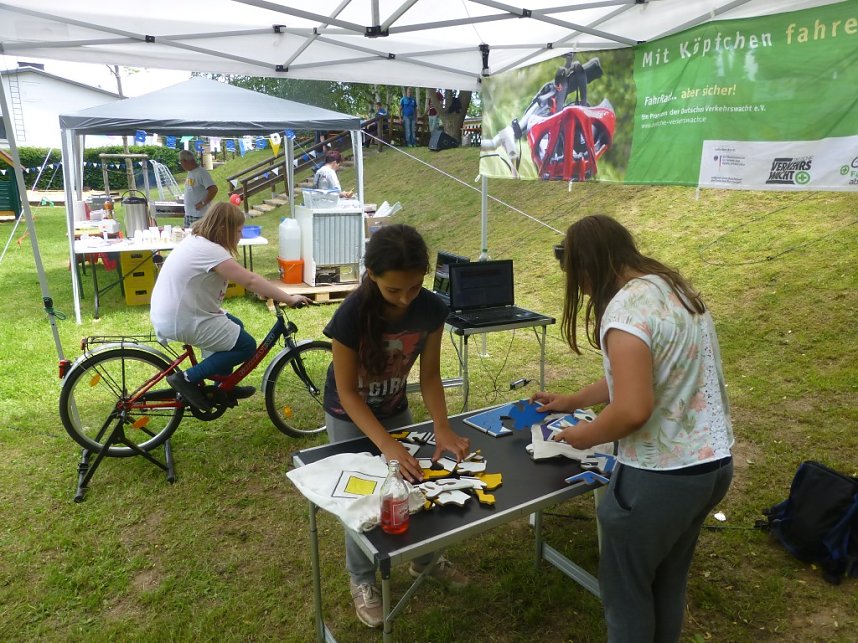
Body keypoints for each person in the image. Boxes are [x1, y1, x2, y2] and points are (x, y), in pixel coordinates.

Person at [532, 215, 734, 643]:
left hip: (660, 477)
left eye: (579, 279)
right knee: (667, 580)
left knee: (626, 595)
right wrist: (573, 401)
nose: (584, 291)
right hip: (712, 465)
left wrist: (583, 435)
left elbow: (631, 408)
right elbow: (640, 376)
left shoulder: (625, 308)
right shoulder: (673, 288)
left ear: (587, 268)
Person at [323, 224, 471, 628]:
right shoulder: (351, 315)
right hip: (349, 416)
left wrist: (442, 427)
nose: (406, 298)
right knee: (362, 500)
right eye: (394, 290)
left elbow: (430, 377)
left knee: (415, 484)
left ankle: (424, 560)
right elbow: (348, 393)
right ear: (372, 274)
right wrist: (387, 445)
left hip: (394, 408)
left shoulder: (431, 309)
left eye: (414, 287)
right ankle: (362, 579)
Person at [151, 202, 311, 410]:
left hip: (178, 313)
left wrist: (264, 290)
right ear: (222, 229)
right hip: (183, 318)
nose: (240, 236)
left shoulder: (197, 241)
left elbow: (241, 278)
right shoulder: (210, 250)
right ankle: (187, 379)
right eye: (238, 231)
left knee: (236, 325)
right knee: (246, 346)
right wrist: (289, 298)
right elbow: (250, 280)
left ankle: (223, 387)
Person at [179, 149, 218, 229]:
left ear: (185, 161)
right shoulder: (190, 172)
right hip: (189, 214)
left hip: (199, 215)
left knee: (199, 235)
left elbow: (213, 189)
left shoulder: (201, 173)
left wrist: (203, 203)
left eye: (181, 162)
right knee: (188, 236)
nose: (181, 165)